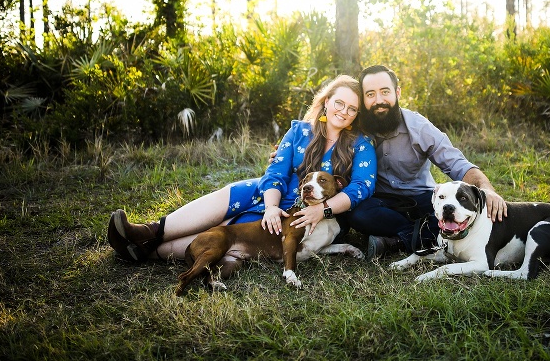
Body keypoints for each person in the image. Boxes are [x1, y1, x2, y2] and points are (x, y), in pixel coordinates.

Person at [107, 74, 377, 262]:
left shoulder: (360, 145)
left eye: (352, 109)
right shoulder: (299, 131)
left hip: (306, 213)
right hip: (271, 195)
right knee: (235, 192)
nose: (343, 111)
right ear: (327, 101)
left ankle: (148, 252)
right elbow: (276, 172)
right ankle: (147, 232)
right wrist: (271, 206)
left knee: (226, 231)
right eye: (339, 103)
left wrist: (323, 208)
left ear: (356, 115)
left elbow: (362, 187)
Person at [343, 64, 507, 260]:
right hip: (379, 203)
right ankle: (419, 236)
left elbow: (457, 164)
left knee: (453, 212)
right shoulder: (355, 128)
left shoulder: (419, 127)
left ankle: (395, 242)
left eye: (385, 92)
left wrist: (486, 188)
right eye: (370, 94)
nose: (379, 100)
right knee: (357, 213)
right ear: (363, 99)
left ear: (397, 92)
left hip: (421, 199)